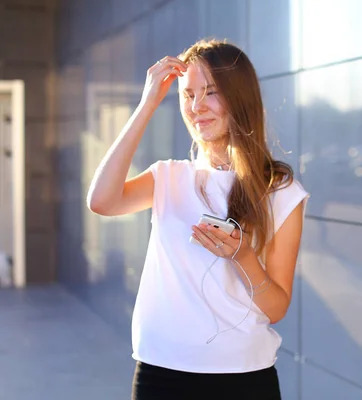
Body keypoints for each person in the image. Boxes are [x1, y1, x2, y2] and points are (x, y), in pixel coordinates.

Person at [86, 39, 309, 400]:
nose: (196, 107)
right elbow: (101, 201)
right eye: (187, 95)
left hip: (242, 376)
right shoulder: (168, 177)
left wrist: (243, 257)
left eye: (210, 92)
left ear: (239, 97)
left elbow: (277, 308)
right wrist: (147, 106)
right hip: (160, 371)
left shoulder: (280, 191)